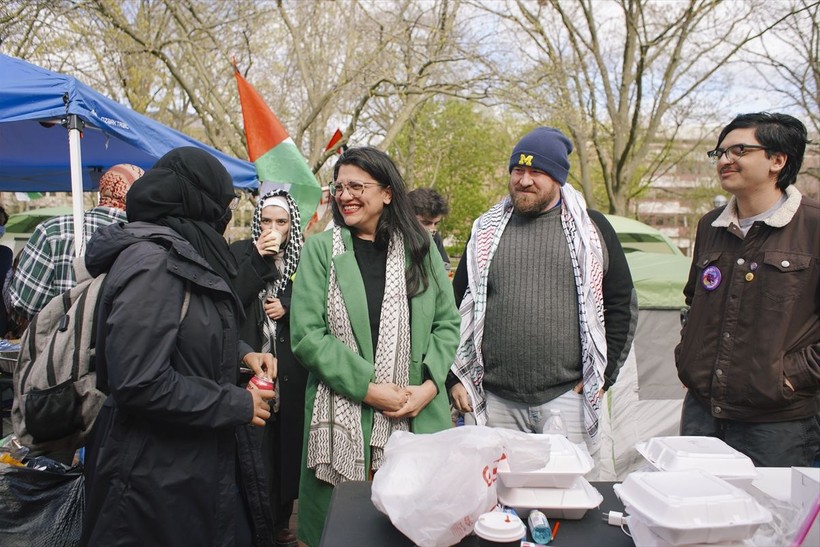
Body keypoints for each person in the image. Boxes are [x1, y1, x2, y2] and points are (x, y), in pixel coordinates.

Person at [79, 147, 276, 546]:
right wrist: (234, 404)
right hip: (150, 481)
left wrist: (241, 353)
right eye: (222, 203)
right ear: (196, 200)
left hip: (182, 469)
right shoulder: (154, 261)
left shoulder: (180, 251)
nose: (224, 216)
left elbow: (183, 330)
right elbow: (138, 380)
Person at [290, 146, 460, 547]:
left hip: (416, 411)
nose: (345, 195)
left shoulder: (421, 249)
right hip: (342, 415)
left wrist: (430, 388)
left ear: (386, 193)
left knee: (411, 528)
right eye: (339, 187)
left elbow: (447, 323)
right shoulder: (320, 251)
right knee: (346, 530)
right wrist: (369, 389)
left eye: (356, 186)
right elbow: (308, 336)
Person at [448, 127, 638, 453]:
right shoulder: (484, 231)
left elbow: (621, 304)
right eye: (518, 170)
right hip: (495, 400)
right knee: (501, 495)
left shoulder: (592, 230)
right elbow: (454, 308)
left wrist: (604, 375)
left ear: (558, 178)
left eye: (537, 171)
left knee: (570, 497)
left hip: (567, 398)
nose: (524, 180)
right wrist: (454, 378)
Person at [675, 112, 819, 467]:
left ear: (777, 160)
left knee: (776, 521)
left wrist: (788, 379)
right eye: (720, 153)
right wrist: (690, 360)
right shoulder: (711, 225)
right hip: (702, 415)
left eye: (739, 150)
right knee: (698, 513)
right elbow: (695, 301)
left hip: (779, 424)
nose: (725, 160)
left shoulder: (814, 226)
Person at [230, 189, 306, 547]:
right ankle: (252, 520)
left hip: (291, 371)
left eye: (281, 221)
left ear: (292, 226)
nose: (273, 228)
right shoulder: (239, 254)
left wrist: (288, 307)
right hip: (250, 371)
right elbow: (229, 302)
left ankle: (279, 520)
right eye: (266, 221)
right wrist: (259, 260)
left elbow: (321, 306)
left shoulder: (305, 260)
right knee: (254, 447)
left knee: (285, 448)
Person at [9, 163, 144, 318]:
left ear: (103, 188)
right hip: (121, 339)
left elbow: (28, 302)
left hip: (60, 337)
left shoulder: (53, 230)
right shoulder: (151, 238)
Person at [409, 187, 451, 272]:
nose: (432, 229)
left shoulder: (435, 238)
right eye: (426, 223)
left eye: (436, 223)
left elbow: (445, 271)